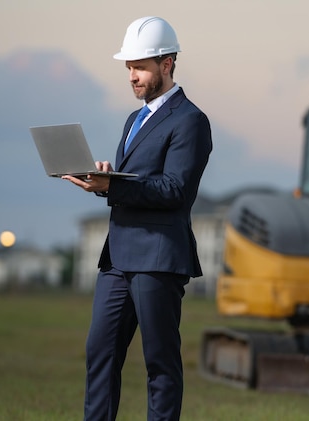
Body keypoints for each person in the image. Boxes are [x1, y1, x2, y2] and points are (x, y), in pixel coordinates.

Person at [62, 16, 212, 421]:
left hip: (158, 259)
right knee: (100, 356)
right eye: (129, 67)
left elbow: (175, 190)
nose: (132, 76)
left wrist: (112, 186)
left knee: (160, 363)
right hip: (118, 258)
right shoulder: (135, 119)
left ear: (168, 63)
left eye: (140, 66)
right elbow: (138, 183)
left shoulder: (191, 121)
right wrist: (106, 177)